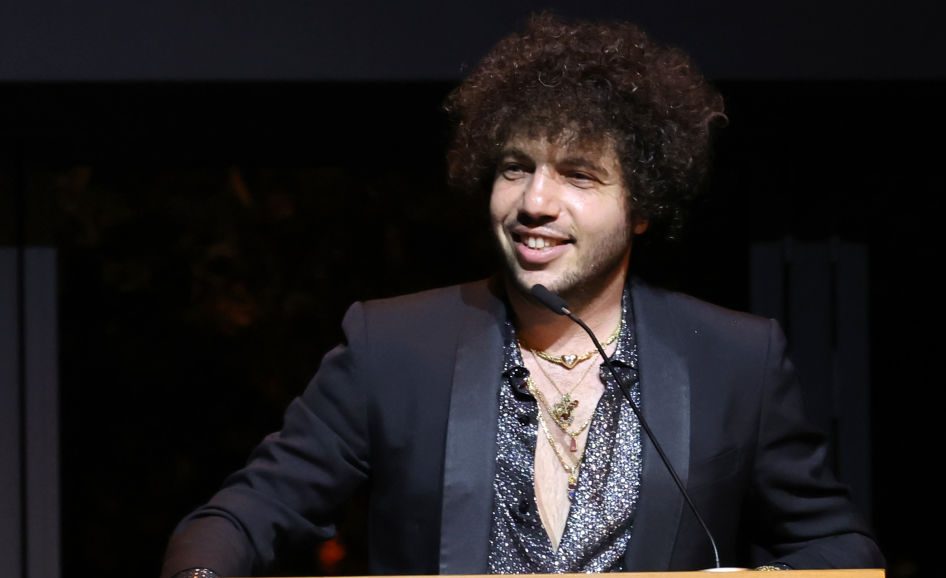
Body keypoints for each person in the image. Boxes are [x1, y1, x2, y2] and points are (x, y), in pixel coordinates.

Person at [161, 13, 884, 578]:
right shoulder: (393, 346)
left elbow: (838, 546)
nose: (534, 201)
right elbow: (250, 510)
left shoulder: (737, 359)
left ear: (641, 204)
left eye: (577, 174)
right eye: (515, 168)